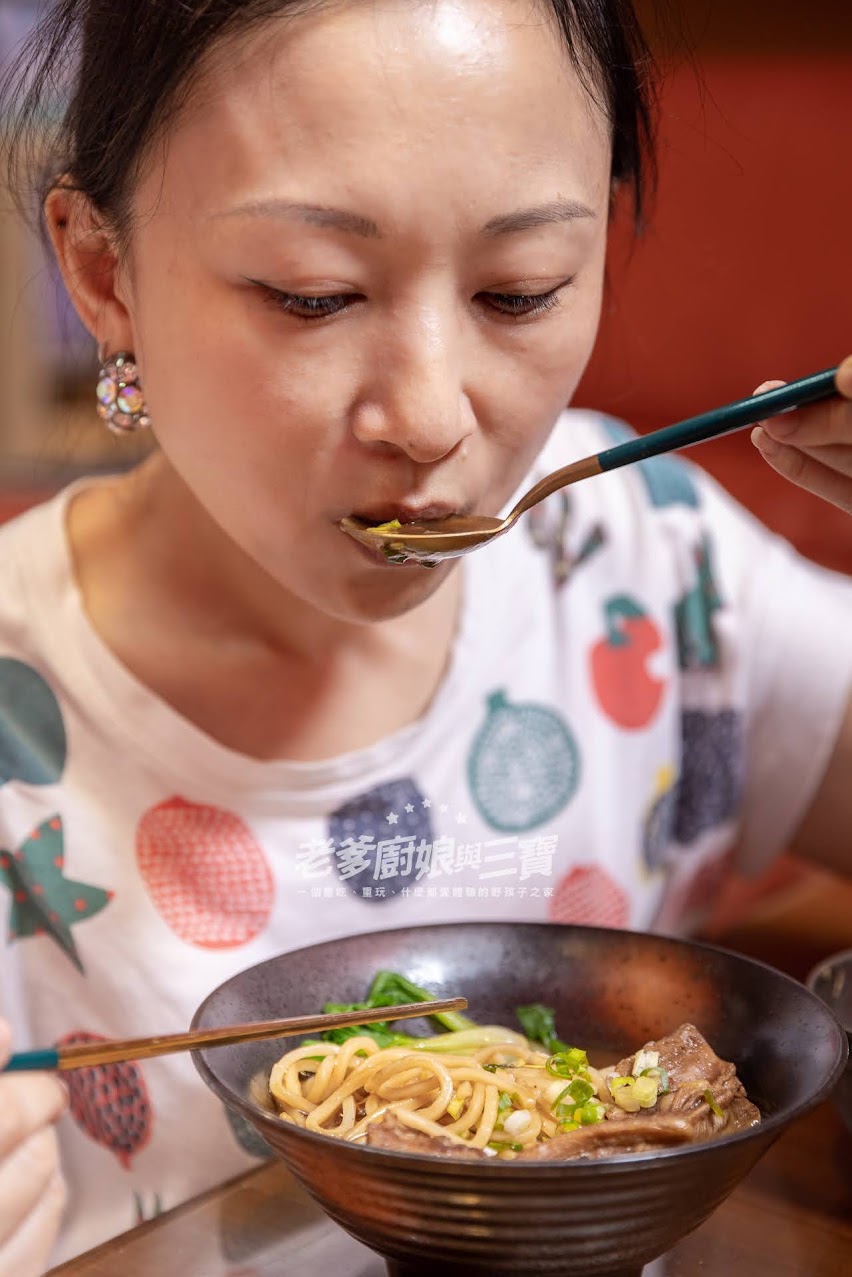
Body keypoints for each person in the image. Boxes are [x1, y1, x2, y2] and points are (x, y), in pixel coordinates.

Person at [0, 0, 849, 1269]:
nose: (432, 414)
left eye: (522, 292)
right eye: (314, 294)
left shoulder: (638, 552)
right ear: (104, 273)